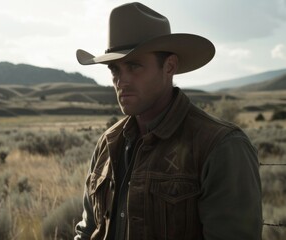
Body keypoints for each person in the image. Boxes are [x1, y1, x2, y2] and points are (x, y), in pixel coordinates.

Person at [74, 2, 262, 240]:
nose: (121, 81)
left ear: (169, 66)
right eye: (115, 70)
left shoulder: (221, 147)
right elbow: (88, 230)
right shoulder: (108, 143)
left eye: (134, 66)